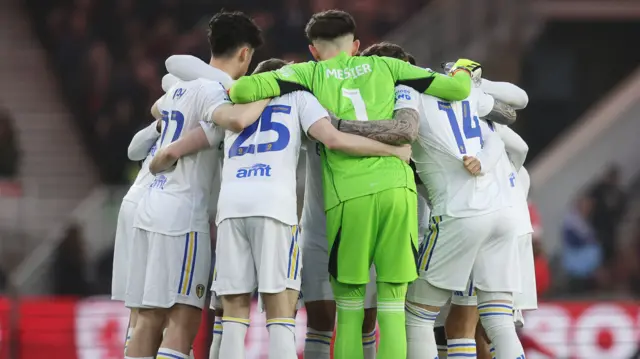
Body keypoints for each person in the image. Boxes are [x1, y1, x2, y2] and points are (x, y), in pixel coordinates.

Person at [229, 10, 477, 359]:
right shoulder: (388, 67)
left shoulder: (308, 72)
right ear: (357, 45)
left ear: (314, 50)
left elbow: (241, 90)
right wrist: (464, 66)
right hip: (398, 191)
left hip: (349, 197)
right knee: (392, 307)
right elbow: (457, 88)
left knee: (348, 311)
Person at [212, 57, 409, 359]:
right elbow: (334, 139)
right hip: (274, 208)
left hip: (229, 207)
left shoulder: (233, 104)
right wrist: (392, 150)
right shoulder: (299, 97)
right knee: (281, 312)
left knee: (233, 315)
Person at [123, 11, 266, 359]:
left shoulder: (181, 86)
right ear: (245, 54)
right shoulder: (218, 91)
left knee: (147, 319)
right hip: (182, 216)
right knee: (183, 321)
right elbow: (225, 124)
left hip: (151, 208)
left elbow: (159, 113)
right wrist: (270, 91)